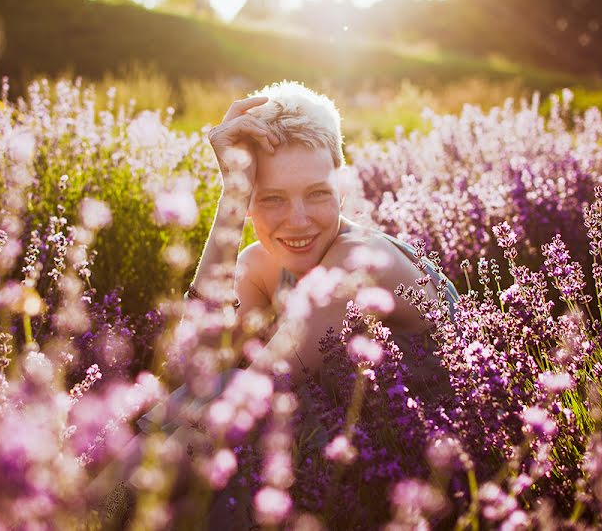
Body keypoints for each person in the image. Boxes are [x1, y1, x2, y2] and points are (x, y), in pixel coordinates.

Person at [186, 80, 458, 387]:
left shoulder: (358, 261)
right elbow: (193, 370)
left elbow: (251, 396)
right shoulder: (261, 265)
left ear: (342, 188)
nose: (299, 221)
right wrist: (232, 197)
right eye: (273, 198)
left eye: (317, 193)